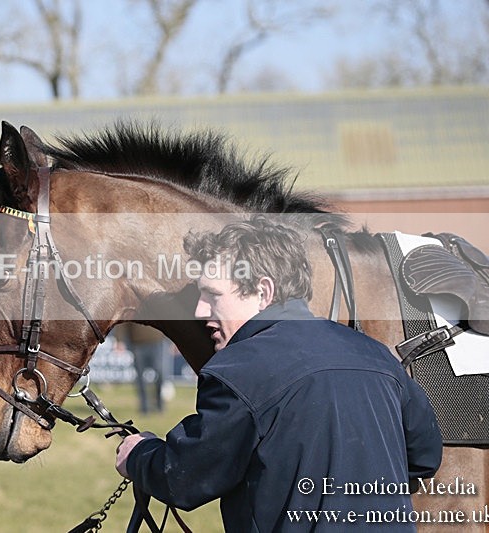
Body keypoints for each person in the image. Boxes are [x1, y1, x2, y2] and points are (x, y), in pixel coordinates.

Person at [115, 216, 443, 532]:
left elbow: (184, 478)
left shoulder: (239, 369)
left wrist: (139, 455)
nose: (200, 311)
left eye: (213, 294)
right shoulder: (376, 354)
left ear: (264, 292)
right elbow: (424, 457)